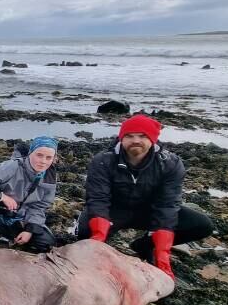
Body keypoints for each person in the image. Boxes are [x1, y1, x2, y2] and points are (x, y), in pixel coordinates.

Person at [75, 114, 214, 279]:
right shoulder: (103, 161)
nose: (135, 140)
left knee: (202, 225)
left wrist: (162, 252)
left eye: (142, 136)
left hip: (149, 211)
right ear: (121, 138)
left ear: (153, 139)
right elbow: (98, 199)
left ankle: (145, 245)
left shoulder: (170, 163)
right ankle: (100, 240)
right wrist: (98, 235)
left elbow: (167, 205)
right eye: (129, 136)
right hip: (115, 210)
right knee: (84, 233)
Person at [0, 136, 58, 253]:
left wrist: (29, 230)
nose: (43, 161)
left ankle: (12, 244)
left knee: (46, 243)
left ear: (54, 159)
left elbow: (39, 207)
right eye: (39, 155)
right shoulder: (11, 166)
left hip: (17, 219)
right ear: (30, 153)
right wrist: (1, 196)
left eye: (48, 157)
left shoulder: (50, 177)